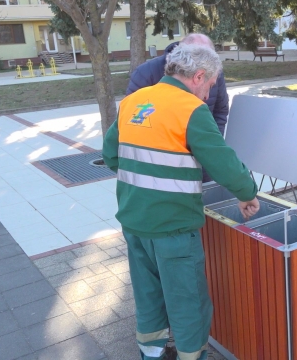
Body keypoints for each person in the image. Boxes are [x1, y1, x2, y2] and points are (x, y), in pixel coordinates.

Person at [103, 43, 260, 360]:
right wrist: (247, 193)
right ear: (199, 76)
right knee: (188, 301)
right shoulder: (190, 109)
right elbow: (222, 162)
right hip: (174, 227)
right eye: (210, 86)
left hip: (133, 222)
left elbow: (110, 156)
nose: (207, 95)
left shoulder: (133, 101)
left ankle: (151, 354)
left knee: (148, 296)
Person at [126, 33, 229, 183]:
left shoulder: (213, 72)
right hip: (160, 168)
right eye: (199, 58)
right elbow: (130, 123)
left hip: (203, 161)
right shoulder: (146, 73)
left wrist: (209, 147)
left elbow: (221, 112)